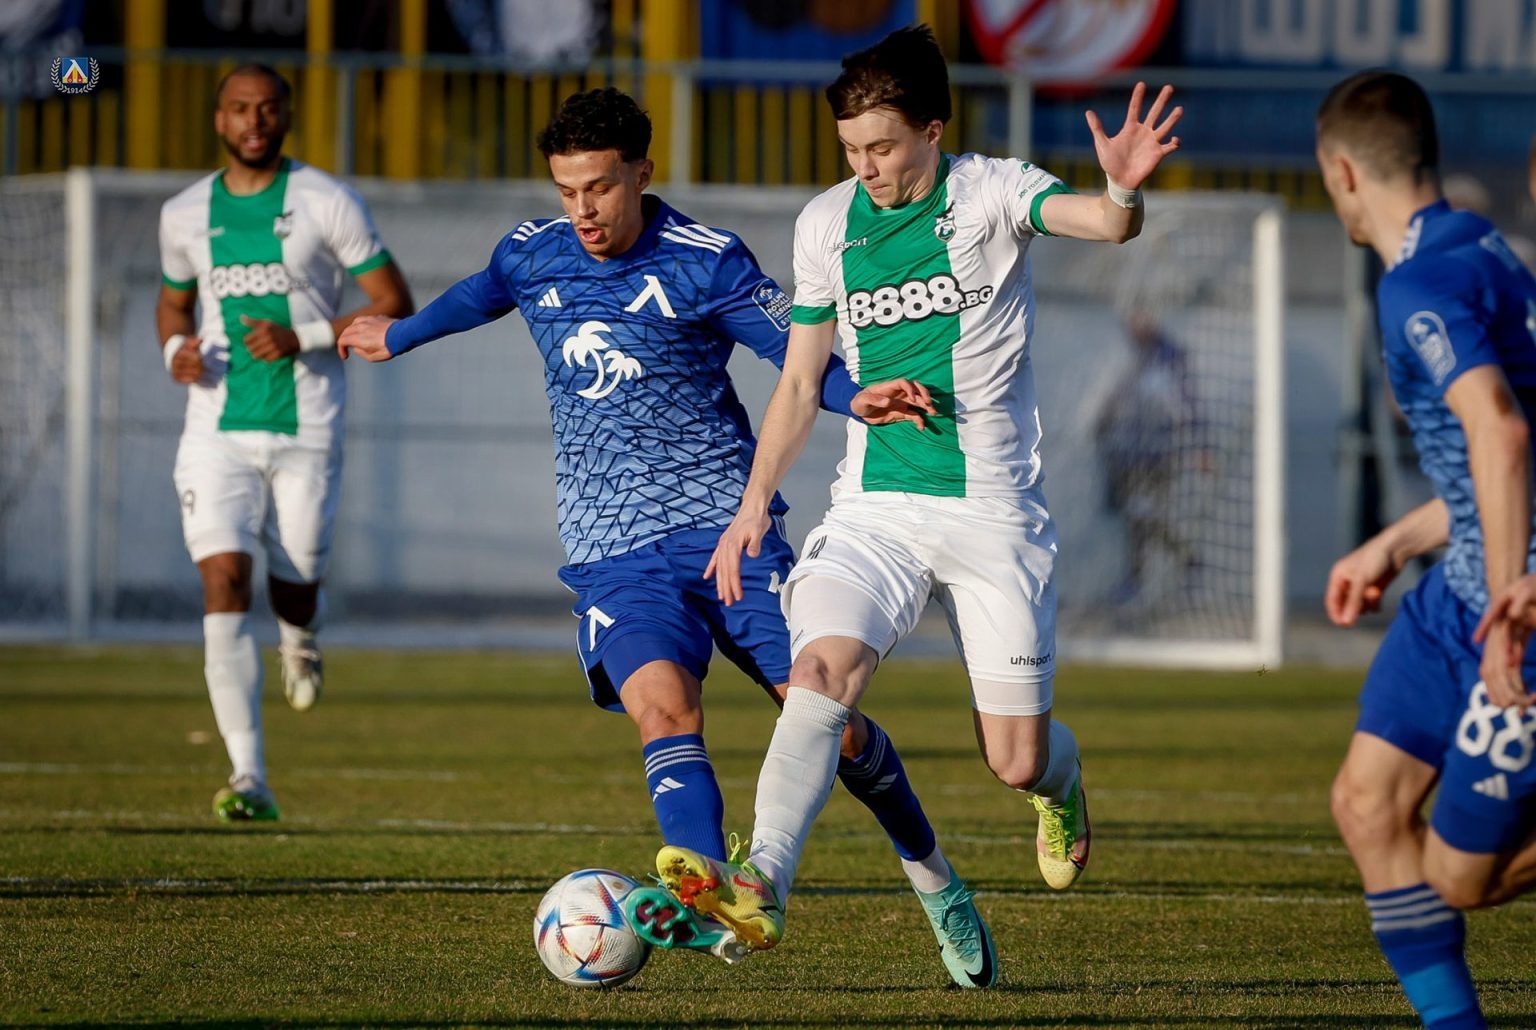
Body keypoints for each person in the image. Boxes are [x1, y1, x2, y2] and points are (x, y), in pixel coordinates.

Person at [338, 87, 996, 985]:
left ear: (643, 173)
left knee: (832, 727)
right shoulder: (531, 252)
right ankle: (715, 897)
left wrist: (861, 398)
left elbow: (797, 359)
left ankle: (935, 880)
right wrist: (401, 334)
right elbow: (479, 294)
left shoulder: (706, 262)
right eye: (568, 190)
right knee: (664, 710)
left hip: (729, 535)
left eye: (601, 189)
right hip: (611, 550)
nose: (583, 210)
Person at [651, 24, 1180, 966]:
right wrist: (753, 503)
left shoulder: (993, 192)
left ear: (934, 131)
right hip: (875, 510)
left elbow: (1104, 225)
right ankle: (762, 880)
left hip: (993, 514)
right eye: (851, 149)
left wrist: (1122, 192)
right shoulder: (826, 224)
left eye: (883, 147)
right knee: (819, 676)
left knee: (1014, 759)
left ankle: (1061, 788)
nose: (866, 168)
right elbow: (799, 380)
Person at [1317, 70, 1536, 1029]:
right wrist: (1396, 540)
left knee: (1461, 877)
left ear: (1342, 172)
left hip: (1505, 603)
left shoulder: (1418, 282)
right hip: (1457, 590)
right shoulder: (1481, 248)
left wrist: (1507, 608)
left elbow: (1502, 433)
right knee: (1366, 805)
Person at [156, 64, 414, 823]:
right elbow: (172, 305)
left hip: (307, 424)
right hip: (216, 429)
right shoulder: (183, 213)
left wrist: (304, 334)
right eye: (240, 109)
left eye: (267, 108)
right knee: (224, 581)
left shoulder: (326, 200)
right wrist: (174, 352)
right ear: (219, 119)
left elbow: (393, 301)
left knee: (294, 582)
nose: (254, 121)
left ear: (287, 116)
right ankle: (249, 776)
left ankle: (300, 635)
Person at [1091, 310, 1203, 607]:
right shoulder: (1128, 353)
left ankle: (1144, 577)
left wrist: (1199, 446)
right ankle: (1178, 563)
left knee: (1143, 514)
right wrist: (1103, 422)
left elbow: (1186, 403)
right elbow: (1119, 393)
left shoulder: (1169, 358)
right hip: (1127, 453)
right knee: (1136, 518)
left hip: (1158, 454)